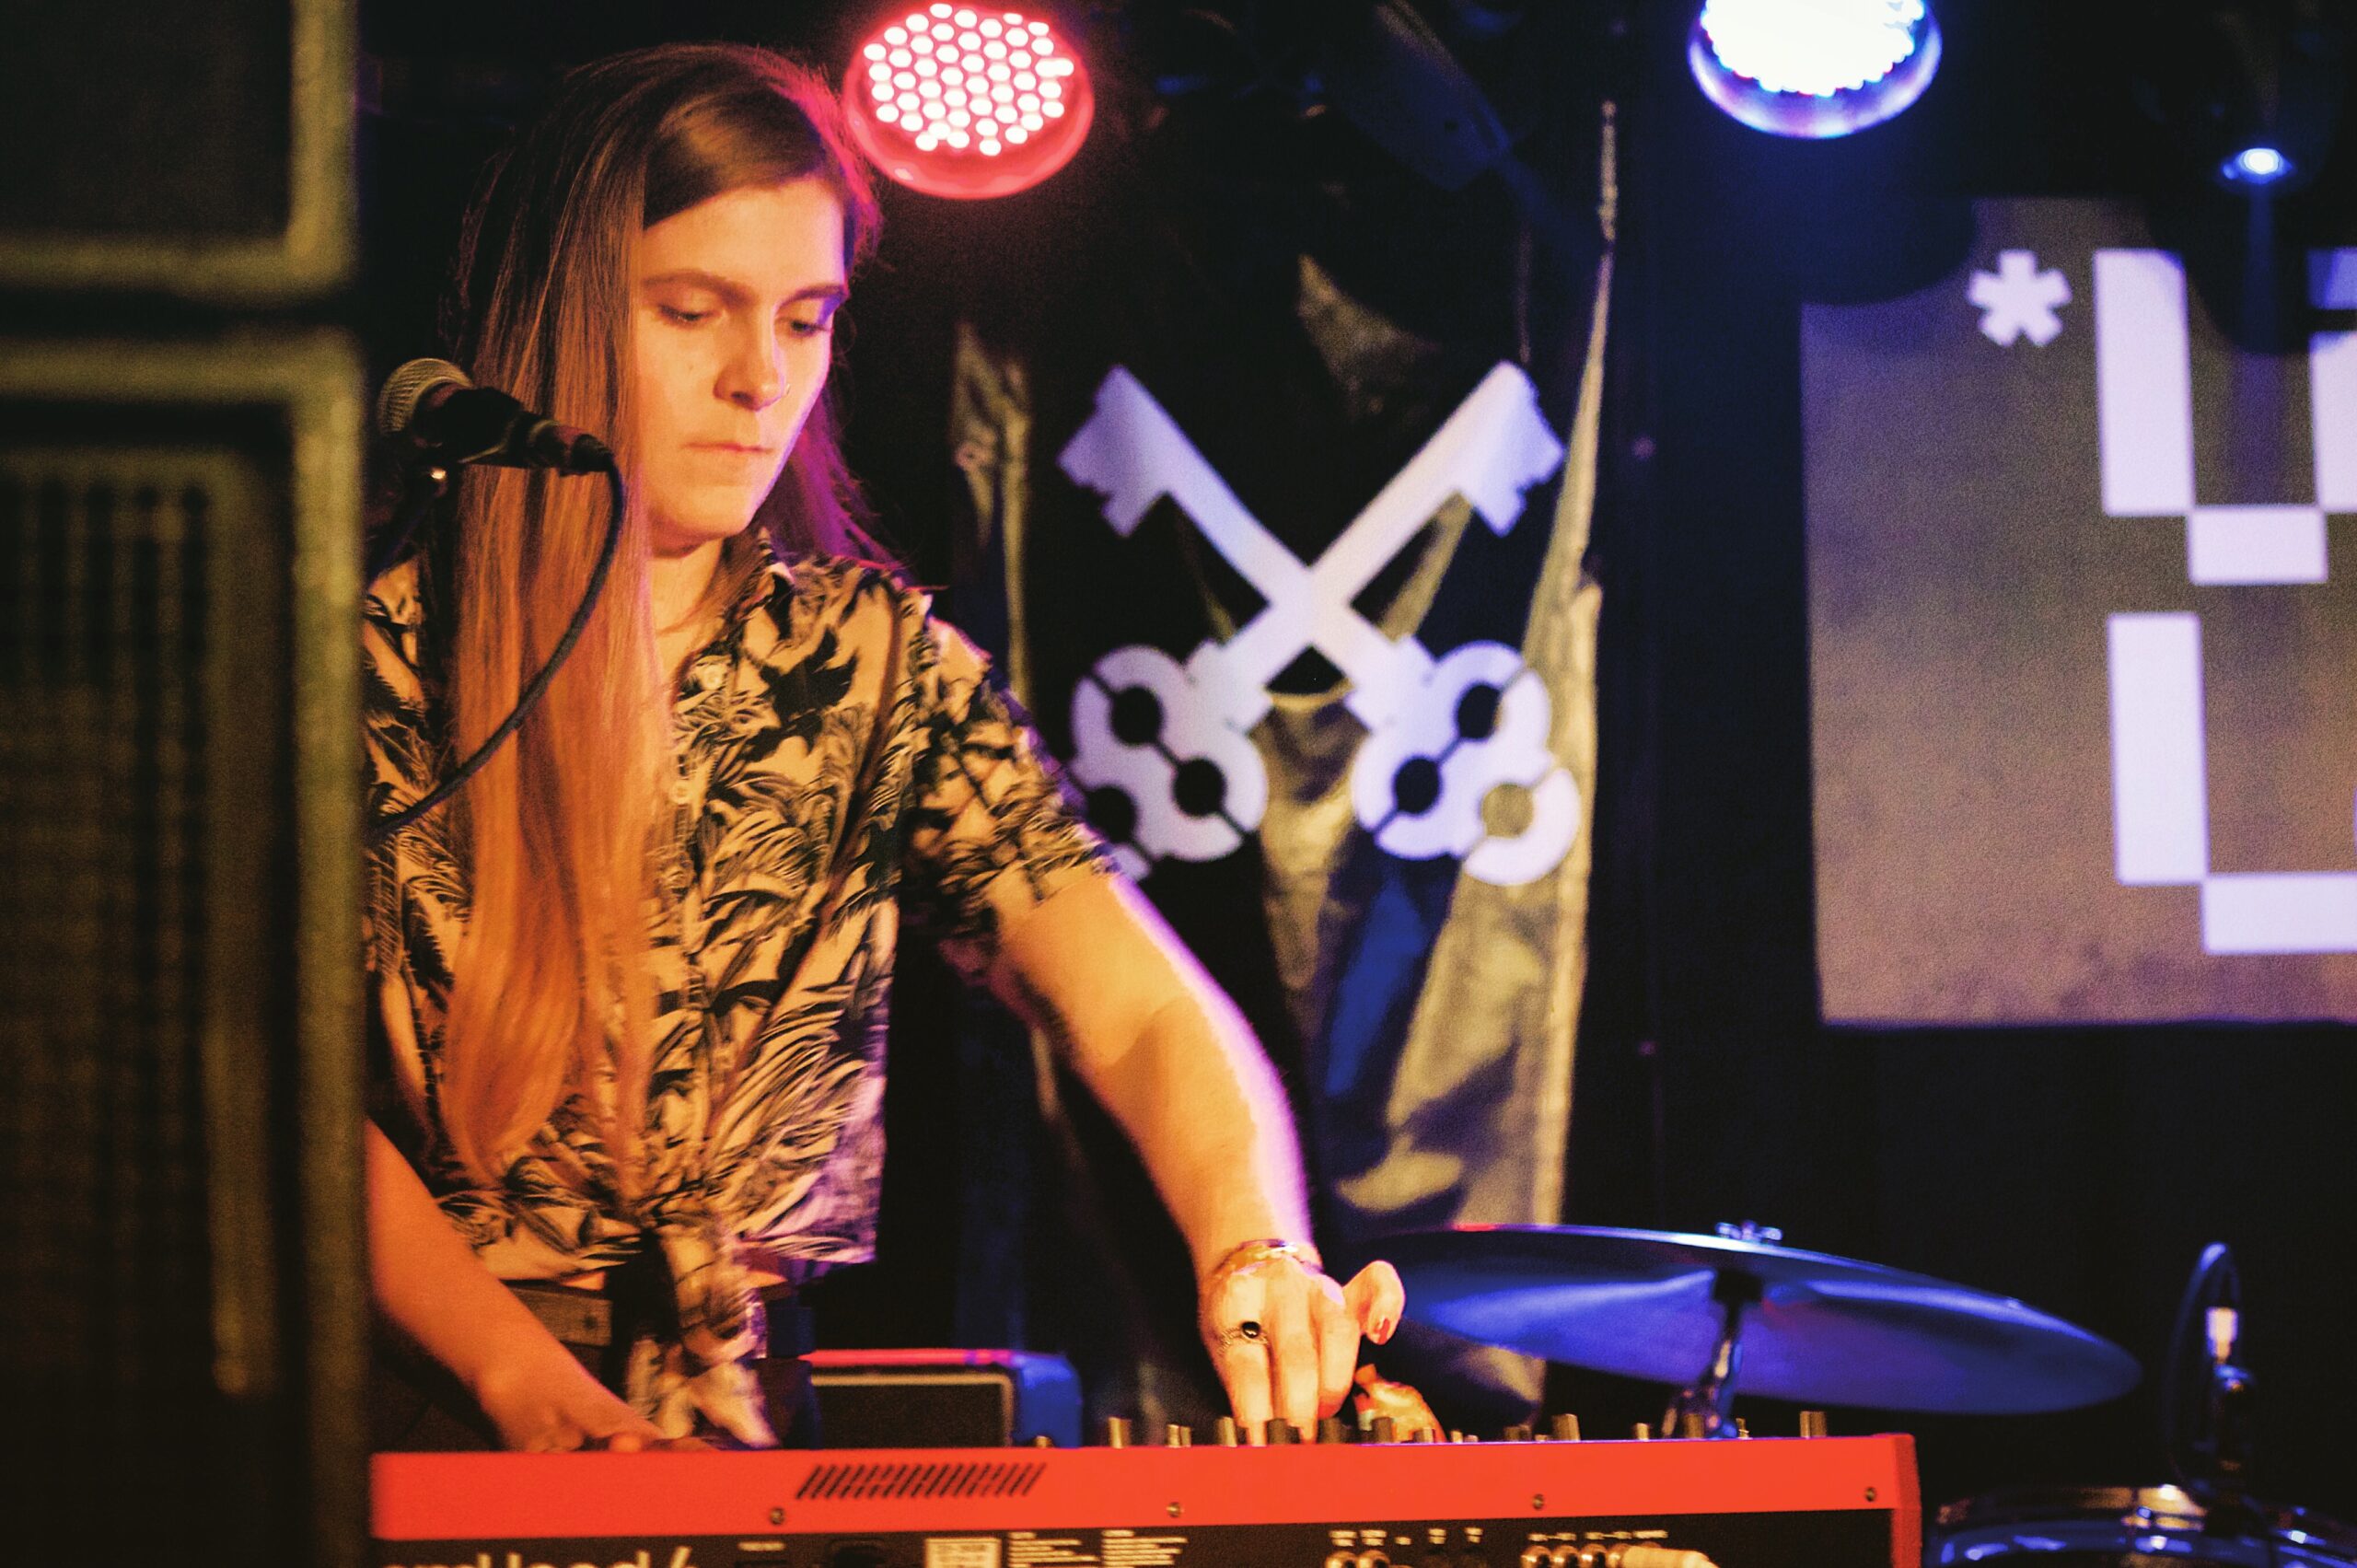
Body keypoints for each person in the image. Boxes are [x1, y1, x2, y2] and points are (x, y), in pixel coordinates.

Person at [363, 41, 1402, 1453]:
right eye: (691, 311)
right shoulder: (371, 663)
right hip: (433, 1407)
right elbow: (266, 1084)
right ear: (557, 316)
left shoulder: (876, 667)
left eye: (806, 320)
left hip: (742, 1418)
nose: (759, 378)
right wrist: (509, 1372)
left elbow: (1136, 1007)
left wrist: (1256, 1247)